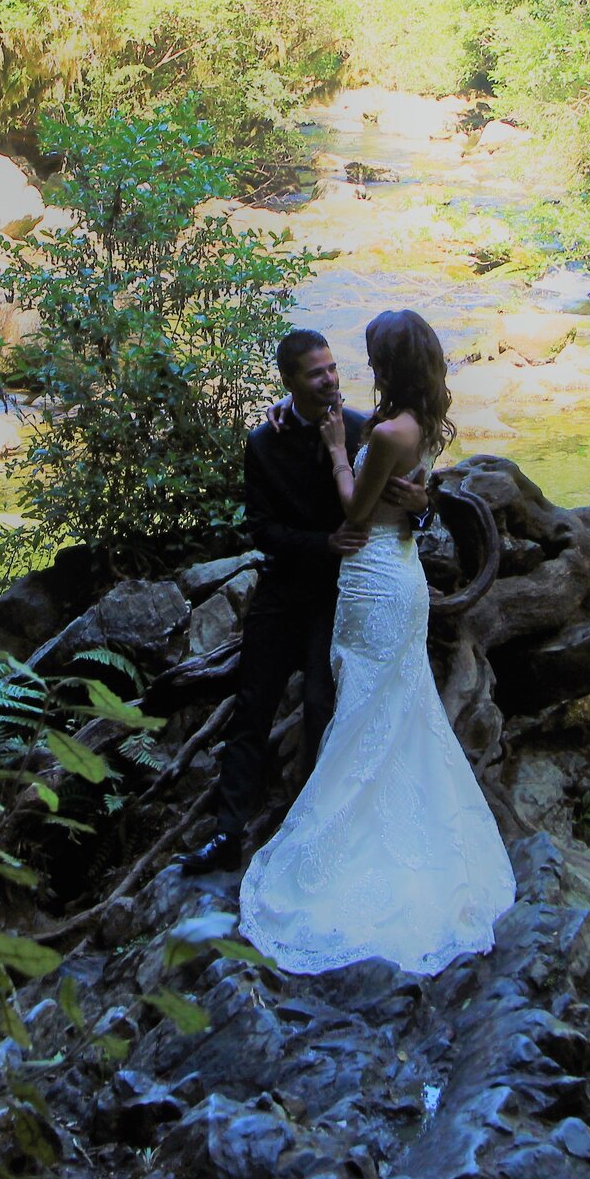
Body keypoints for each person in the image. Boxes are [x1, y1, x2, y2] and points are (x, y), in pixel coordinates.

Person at [238, 309, 515, 975]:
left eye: (357, 360)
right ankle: (255, 828)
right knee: (383, 703)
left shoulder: (380, 429)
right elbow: (374, 495)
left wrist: (345, 454)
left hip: (375, 582)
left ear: (387, 365)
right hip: (361, 582)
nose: (346, 374)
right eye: (327, 368)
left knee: (360, 704)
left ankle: (338, 838)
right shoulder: (387, 424)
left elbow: (368, 509)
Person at [183, 328, 426, 876]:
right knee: (252, 706)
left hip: (342, 595)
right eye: (316, 373)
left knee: (322, 703)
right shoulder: (263, 442)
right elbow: (261, 529)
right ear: (289, 381)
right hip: (285, 587)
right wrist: (322, 543)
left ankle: (313, 825)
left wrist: (422, 507)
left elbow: (402, 510)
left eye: (334, 369)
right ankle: (227, 835)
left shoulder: (366, 431)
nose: (331, 380)